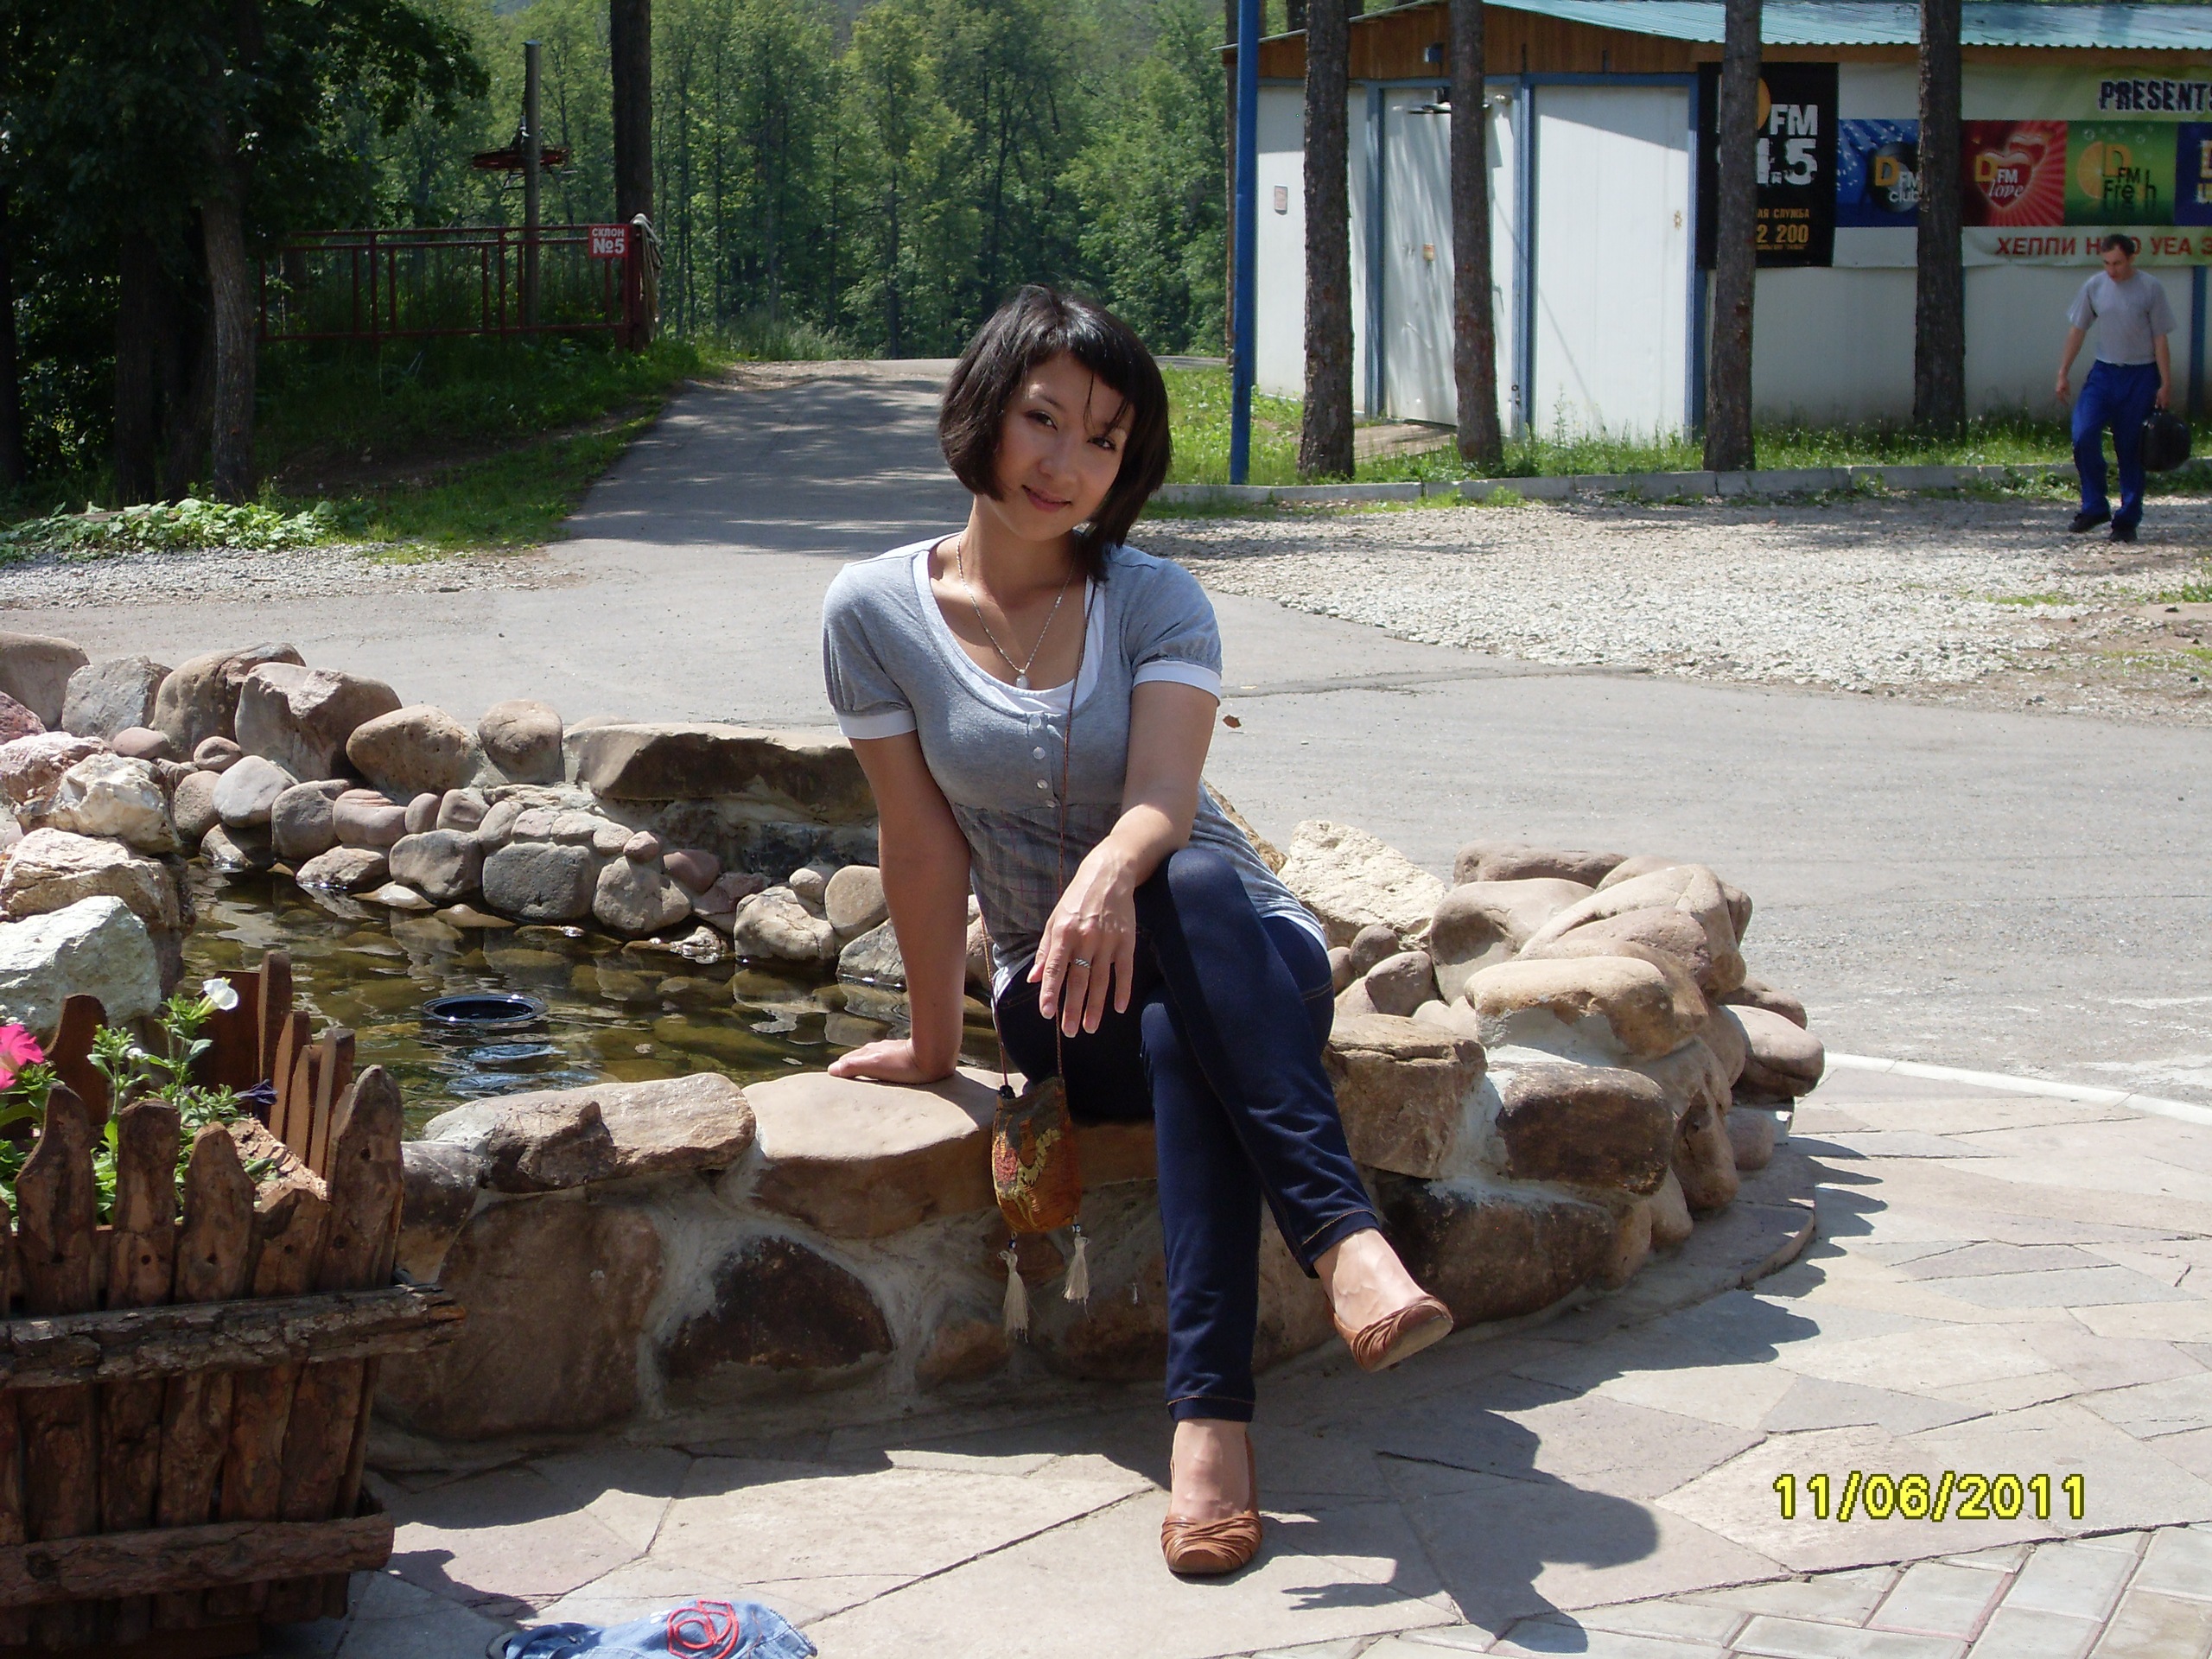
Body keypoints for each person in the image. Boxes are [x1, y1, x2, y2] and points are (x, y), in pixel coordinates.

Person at [819, 286, 1451, 1578]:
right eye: (1044, 420)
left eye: (1104, 440)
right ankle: (1344, 1244)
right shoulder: (872, 612)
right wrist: (935, 1044)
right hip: (1061, 997)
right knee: (1166, 1030)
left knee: (1195, 890)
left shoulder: (1157, 599)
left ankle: (1211, 1428)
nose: (1068, 462)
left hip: (1241, 950)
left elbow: (1166, 797)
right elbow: (921, 845)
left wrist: (1109, 873)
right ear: (983, 411)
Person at [2056, 232, 2176, 543]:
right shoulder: (2094, 286)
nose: (2112, 270)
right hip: (2104, 373)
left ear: (2132, 258)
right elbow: (2078, 329)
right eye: (2107, 263)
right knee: (2083, 433)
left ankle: (2127, 520)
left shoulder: (2150, 288)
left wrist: (2165, 383)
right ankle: (2094, 505)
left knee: (2131, 447)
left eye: (2118, 263)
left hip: (2140, 374)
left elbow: (2160, 338)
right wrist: (2063, 372)